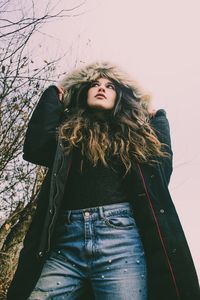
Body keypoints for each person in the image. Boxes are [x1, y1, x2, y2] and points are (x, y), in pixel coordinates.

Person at [7, 62, 199, 300]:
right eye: (94, 84)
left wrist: (158, 121)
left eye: (110, 86)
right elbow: (36, 148)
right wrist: (54, 94)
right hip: (66, 243)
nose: (101, 88)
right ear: (82, 91)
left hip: (120, 242)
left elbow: (160, 175)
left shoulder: (134, 137)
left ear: (120, 96)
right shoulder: (68, 133)